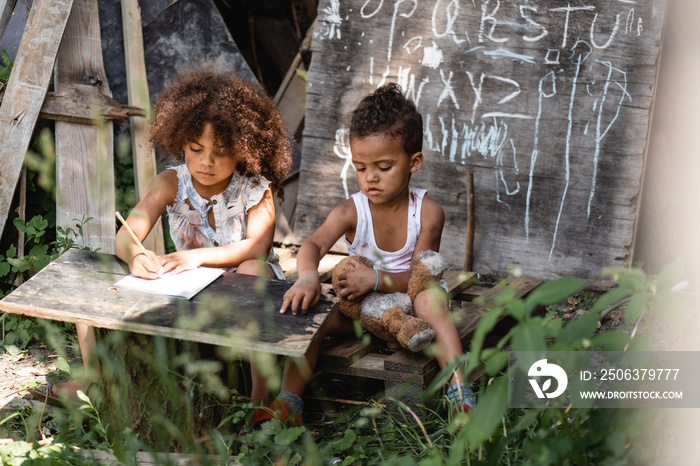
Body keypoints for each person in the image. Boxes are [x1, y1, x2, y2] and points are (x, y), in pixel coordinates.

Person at [280, 82, 475, 415]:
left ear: (414, 162)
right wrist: (308, 277)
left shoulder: (427, 213)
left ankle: (461, 394)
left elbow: (418, 280)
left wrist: (374, 280)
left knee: (430, 300)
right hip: (365, 313)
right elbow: (312, 244)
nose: (370, 178)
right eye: (360, 167)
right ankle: (287, 404)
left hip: (414, 311)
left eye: (383, 168)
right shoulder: (350, 211)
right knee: (313, 315)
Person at [112, 69, 293, 417]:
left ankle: (261, 399)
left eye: (221, 151)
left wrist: (194, 258)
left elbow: (256, 247)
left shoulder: (256, 189)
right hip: (191, 290)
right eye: (197, 149)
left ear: (243, 150)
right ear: (181, 143)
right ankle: (103, 388)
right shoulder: (170, 183)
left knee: (252, 269)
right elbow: (126, 234)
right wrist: (136, 254)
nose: (207, 161)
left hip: (251, 292)